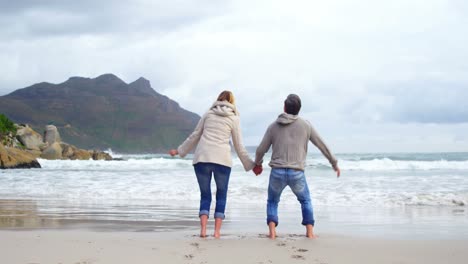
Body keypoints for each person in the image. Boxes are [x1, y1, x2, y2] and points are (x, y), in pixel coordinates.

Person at [169, 91, 256, 238]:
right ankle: (216, 232)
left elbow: (195, 135)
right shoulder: (234, 118)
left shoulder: (208, 114)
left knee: (205, 195)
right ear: (231, 102)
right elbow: (239, 145)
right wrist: (251, 165)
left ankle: (203, 231)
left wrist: (179, 151)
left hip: (203, 158)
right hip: (222, 160)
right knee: (221, 196)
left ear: (218, 100)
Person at [253, 94, 340, 239]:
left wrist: (258, 163)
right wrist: (334, 163)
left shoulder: (273, 126)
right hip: (296, 172)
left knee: (272, 201)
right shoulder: (306, 125)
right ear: (299, 109)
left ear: (284, 107)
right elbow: (322, 145)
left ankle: (272, 233)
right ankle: (310, 233)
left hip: (277, 172)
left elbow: (261, 149)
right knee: (305, 200)